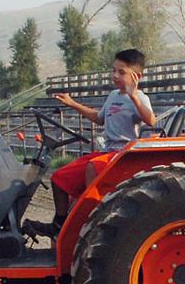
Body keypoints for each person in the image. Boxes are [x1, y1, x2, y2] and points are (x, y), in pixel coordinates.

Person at [23, 49, 156, 239]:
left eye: (121, 72)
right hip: (106, 152)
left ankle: (91, 225)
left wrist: (133, 95)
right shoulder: (113, 96)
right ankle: (59, 225)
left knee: (93, 167)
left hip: (123, 155)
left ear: (137, 76)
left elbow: (151, 120)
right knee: (59, 178)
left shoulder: (140, 98)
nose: (115, 75)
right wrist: (72, 103)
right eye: (114, 70)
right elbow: (99, 118)